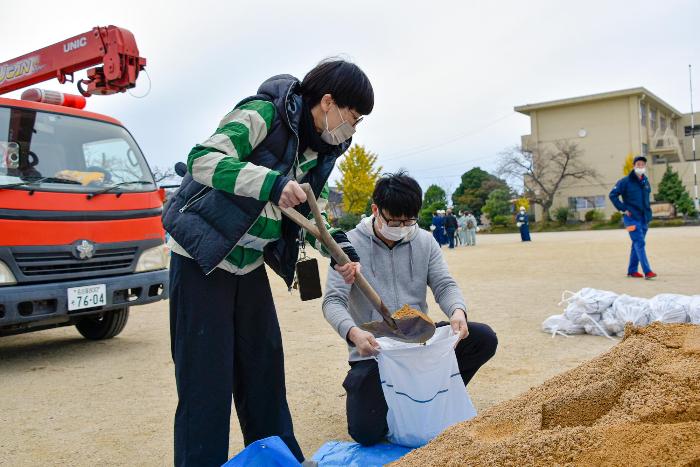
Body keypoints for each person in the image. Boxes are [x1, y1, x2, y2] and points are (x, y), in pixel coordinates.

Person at [162, 59, 372, 466]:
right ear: (328, 102)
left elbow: (311, 209)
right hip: (203, 261)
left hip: (248, 264)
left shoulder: (321, 149)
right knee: (206, 383)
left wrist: (342, 251)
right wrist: (271, 184)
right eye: (353, 117)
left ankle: (279, 461)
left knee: (264, 374)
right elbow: (203, 159)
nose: (353, 128)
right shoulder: (263, 113)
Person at [322, 172, 498, 446]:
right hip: (377, 351)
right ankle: (400, 396)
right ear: (375, 210)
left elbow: (444, 284)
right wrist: (354, 333)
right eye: (394, 220)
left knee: (482, 337)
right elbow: (333, 301)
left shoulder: (425, 241)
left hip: (419, 340)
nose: (402, 226)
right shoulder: (348, 245)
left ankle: (438, 393)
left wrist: (457, 311)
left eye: (409, 220)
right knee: (366, 432)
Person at [609, 155, 657, 279]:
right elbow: (612, 195)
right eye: (638, 164)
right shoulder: (625, 182)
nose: (640, 166)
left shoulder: (645, 182)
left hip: (643, 218)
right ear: (634, 166)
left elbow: (646, 200)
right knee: (639, 242)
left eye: (642, 164)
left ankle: (632, 271)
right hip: (631, 218)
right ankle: (647, 271)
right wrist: (623, 209)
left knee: (636, 244)